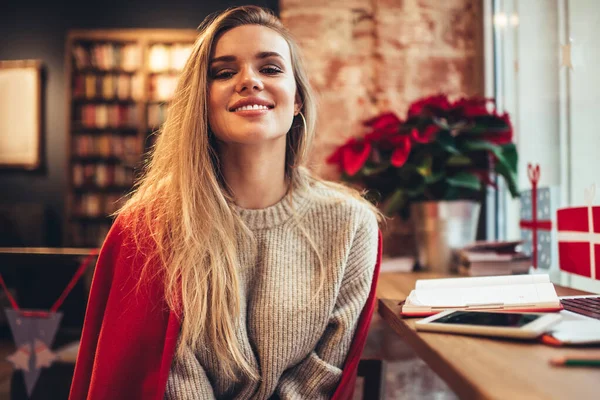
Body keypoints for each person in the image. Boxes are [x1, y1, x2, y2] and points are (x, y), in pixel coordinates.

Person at [69, 5, 382, 400]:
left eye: (270, 69)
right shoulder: (149, 224)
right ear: (201, 99)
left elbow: (324, 373)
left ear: (298, 98)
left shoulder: (351, 224)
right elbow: (164, 373)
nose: (249, 80)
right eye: (224, 72)